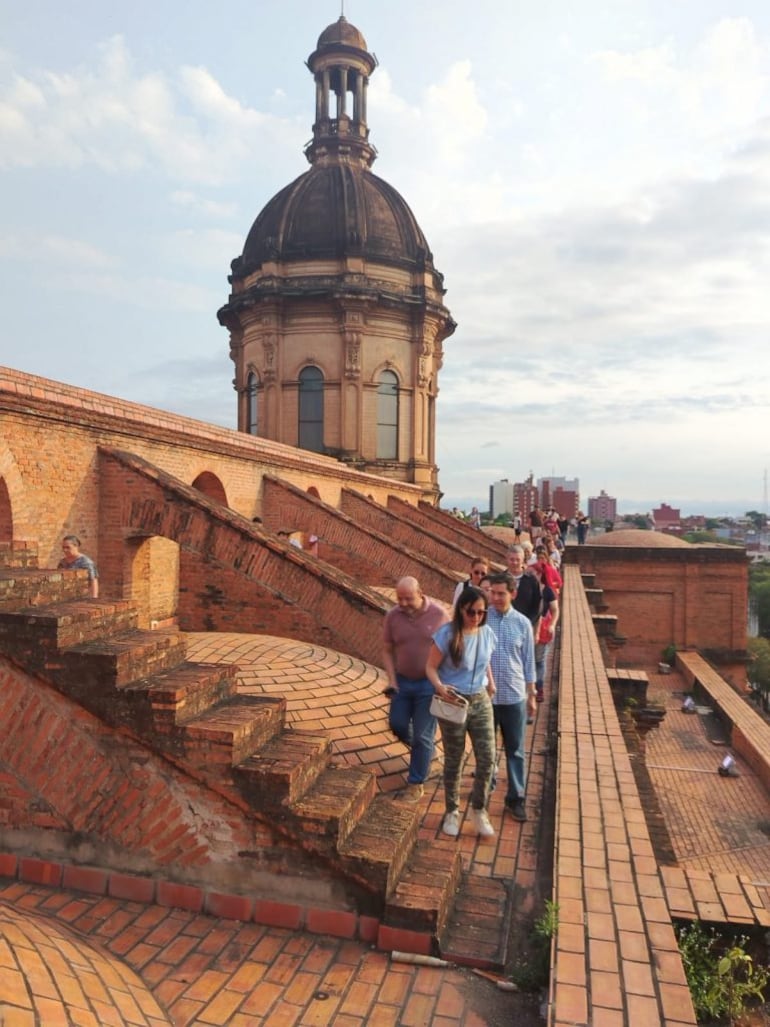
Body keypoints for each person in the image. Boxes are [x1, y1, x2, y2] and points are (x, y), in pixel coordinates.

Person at [426, 586, 497, 838]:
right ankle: (452, 811)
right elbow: (430, 667)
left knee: (487, 758)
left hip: (480, 699)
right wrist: (440, 687)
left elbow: (486, 660)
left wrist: (491, 683)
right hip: (453, 700)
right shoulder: (447, 634)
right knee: (454, 759)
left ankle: (479, 809)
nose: (476, 617)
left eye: (481, 612)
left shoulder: (487, 633)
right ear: (461, 610)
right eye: (471, 612)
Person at [382, 577, 449, 801]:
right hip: (402, 682)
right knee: (397, 725)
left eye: (408, 598)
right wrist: (392, 680)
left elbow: (451, 649)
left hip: (428, 684)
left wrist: (442, 682)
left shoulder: (439, 616)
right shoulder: (393, 616)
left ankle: (415, 782)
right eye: (399, 598)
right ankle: (426, 751)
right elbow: (387, 649)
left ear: (420, 593)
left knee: (422, 735)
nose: (403, 604)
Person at [486, 572, 537, 822]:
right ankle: (485, 788)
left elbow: (529, 662)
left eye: (501, 593)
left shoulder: (523, 623)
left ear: (513, 594)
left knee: (515, 750)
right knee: (486, 748)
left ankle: (516, 798)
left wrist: (532, 694)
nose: (496, 598)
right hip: (486, 697)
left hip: (514, 695)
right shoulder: (482, 618)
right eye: (492, 593)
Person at [530, 557, 560, 704]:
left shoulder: (547, 590)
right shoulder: (527, 588)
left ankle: (539, 686)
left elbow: (555, 610)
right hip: (528, 627)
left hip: (542, 628)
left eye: (532, 573)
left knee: (538, 660)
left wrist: (552, 625)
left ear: (539, 574)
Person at [506, 545, 542, 633]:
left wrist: (528, 623)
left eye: (517, 560)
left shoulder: (532, 580)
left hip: (525, 628)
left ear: (522, 560)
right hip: (504, 627)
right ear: (507, 559)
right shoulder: (500, 579)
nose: (514, 562)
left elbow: (537, 605)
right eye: (512, 559)